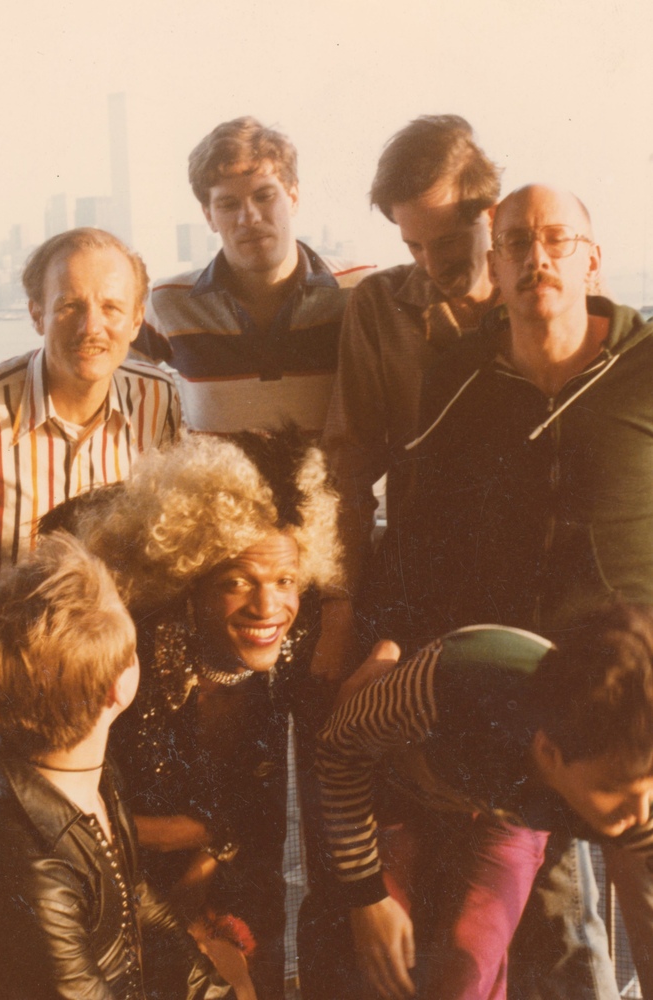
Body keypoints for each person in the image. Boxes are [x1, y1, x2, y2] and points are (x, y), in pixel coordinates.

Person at [371, 184, 653, 998]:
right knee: (560, 937)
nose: (539, 258)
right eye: (519, 243)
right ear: (492, 267)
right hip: (527, 707)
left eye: (559, 240)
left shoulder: (644, 362)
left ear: (593, 258)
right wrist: (395, 645)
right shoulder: (461, 379)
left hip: (639, 703)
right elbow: (424, 536)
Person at [49, 428, 343, 1000]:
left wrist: (209, 847)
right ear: (190, 581)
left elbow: (258, 801)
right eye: (238, 583)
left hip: (226, 873)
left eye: (286, 581)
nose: (268, 608)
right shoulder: (128, 654)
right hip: (100, 885)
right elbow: (69, 820)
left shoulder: (297, 638)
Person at [316, 603, 653, 1000]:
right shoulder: (446, 684)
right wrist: (367, 896)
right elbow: (338, 747)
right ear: (548, 751)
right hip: (404, 780)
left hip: (507, 816)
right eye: (615, 789)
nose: (641, 814)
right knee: (381, 969)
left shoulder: (625, 783)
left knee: (464, 979)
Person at [0, 531, 233, 1000]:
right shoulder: (30, 864)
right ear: (117, 689)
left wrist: (215, 993)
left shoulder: (87, 767)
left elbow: (141, 905)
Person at [322, 114, 501, 592]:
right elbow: (350, 469)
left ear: (493, 215)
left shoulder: (542, 300)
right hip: (421, 577)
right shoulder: (379, 304)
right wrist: (340, 608)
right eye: (414, 246)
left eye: (447, 242)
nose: (433, 264)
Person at [133, 115, 372, 442]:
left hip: (329, 495)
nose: (249, 218)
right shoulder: (168, 301)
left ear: (293, 197)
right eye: (229, 204)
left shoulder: (359, 289)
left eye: (264, 196)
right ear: (209, 216)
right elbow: (106, 383)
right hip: (215, 494)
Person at [0, 227, 181, 589]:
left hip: (116, 639)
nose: (91, 327)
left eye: (111, 308)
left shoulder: (157, 398)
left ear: (136, 320)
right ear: (37, 314)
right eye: (69, 306)